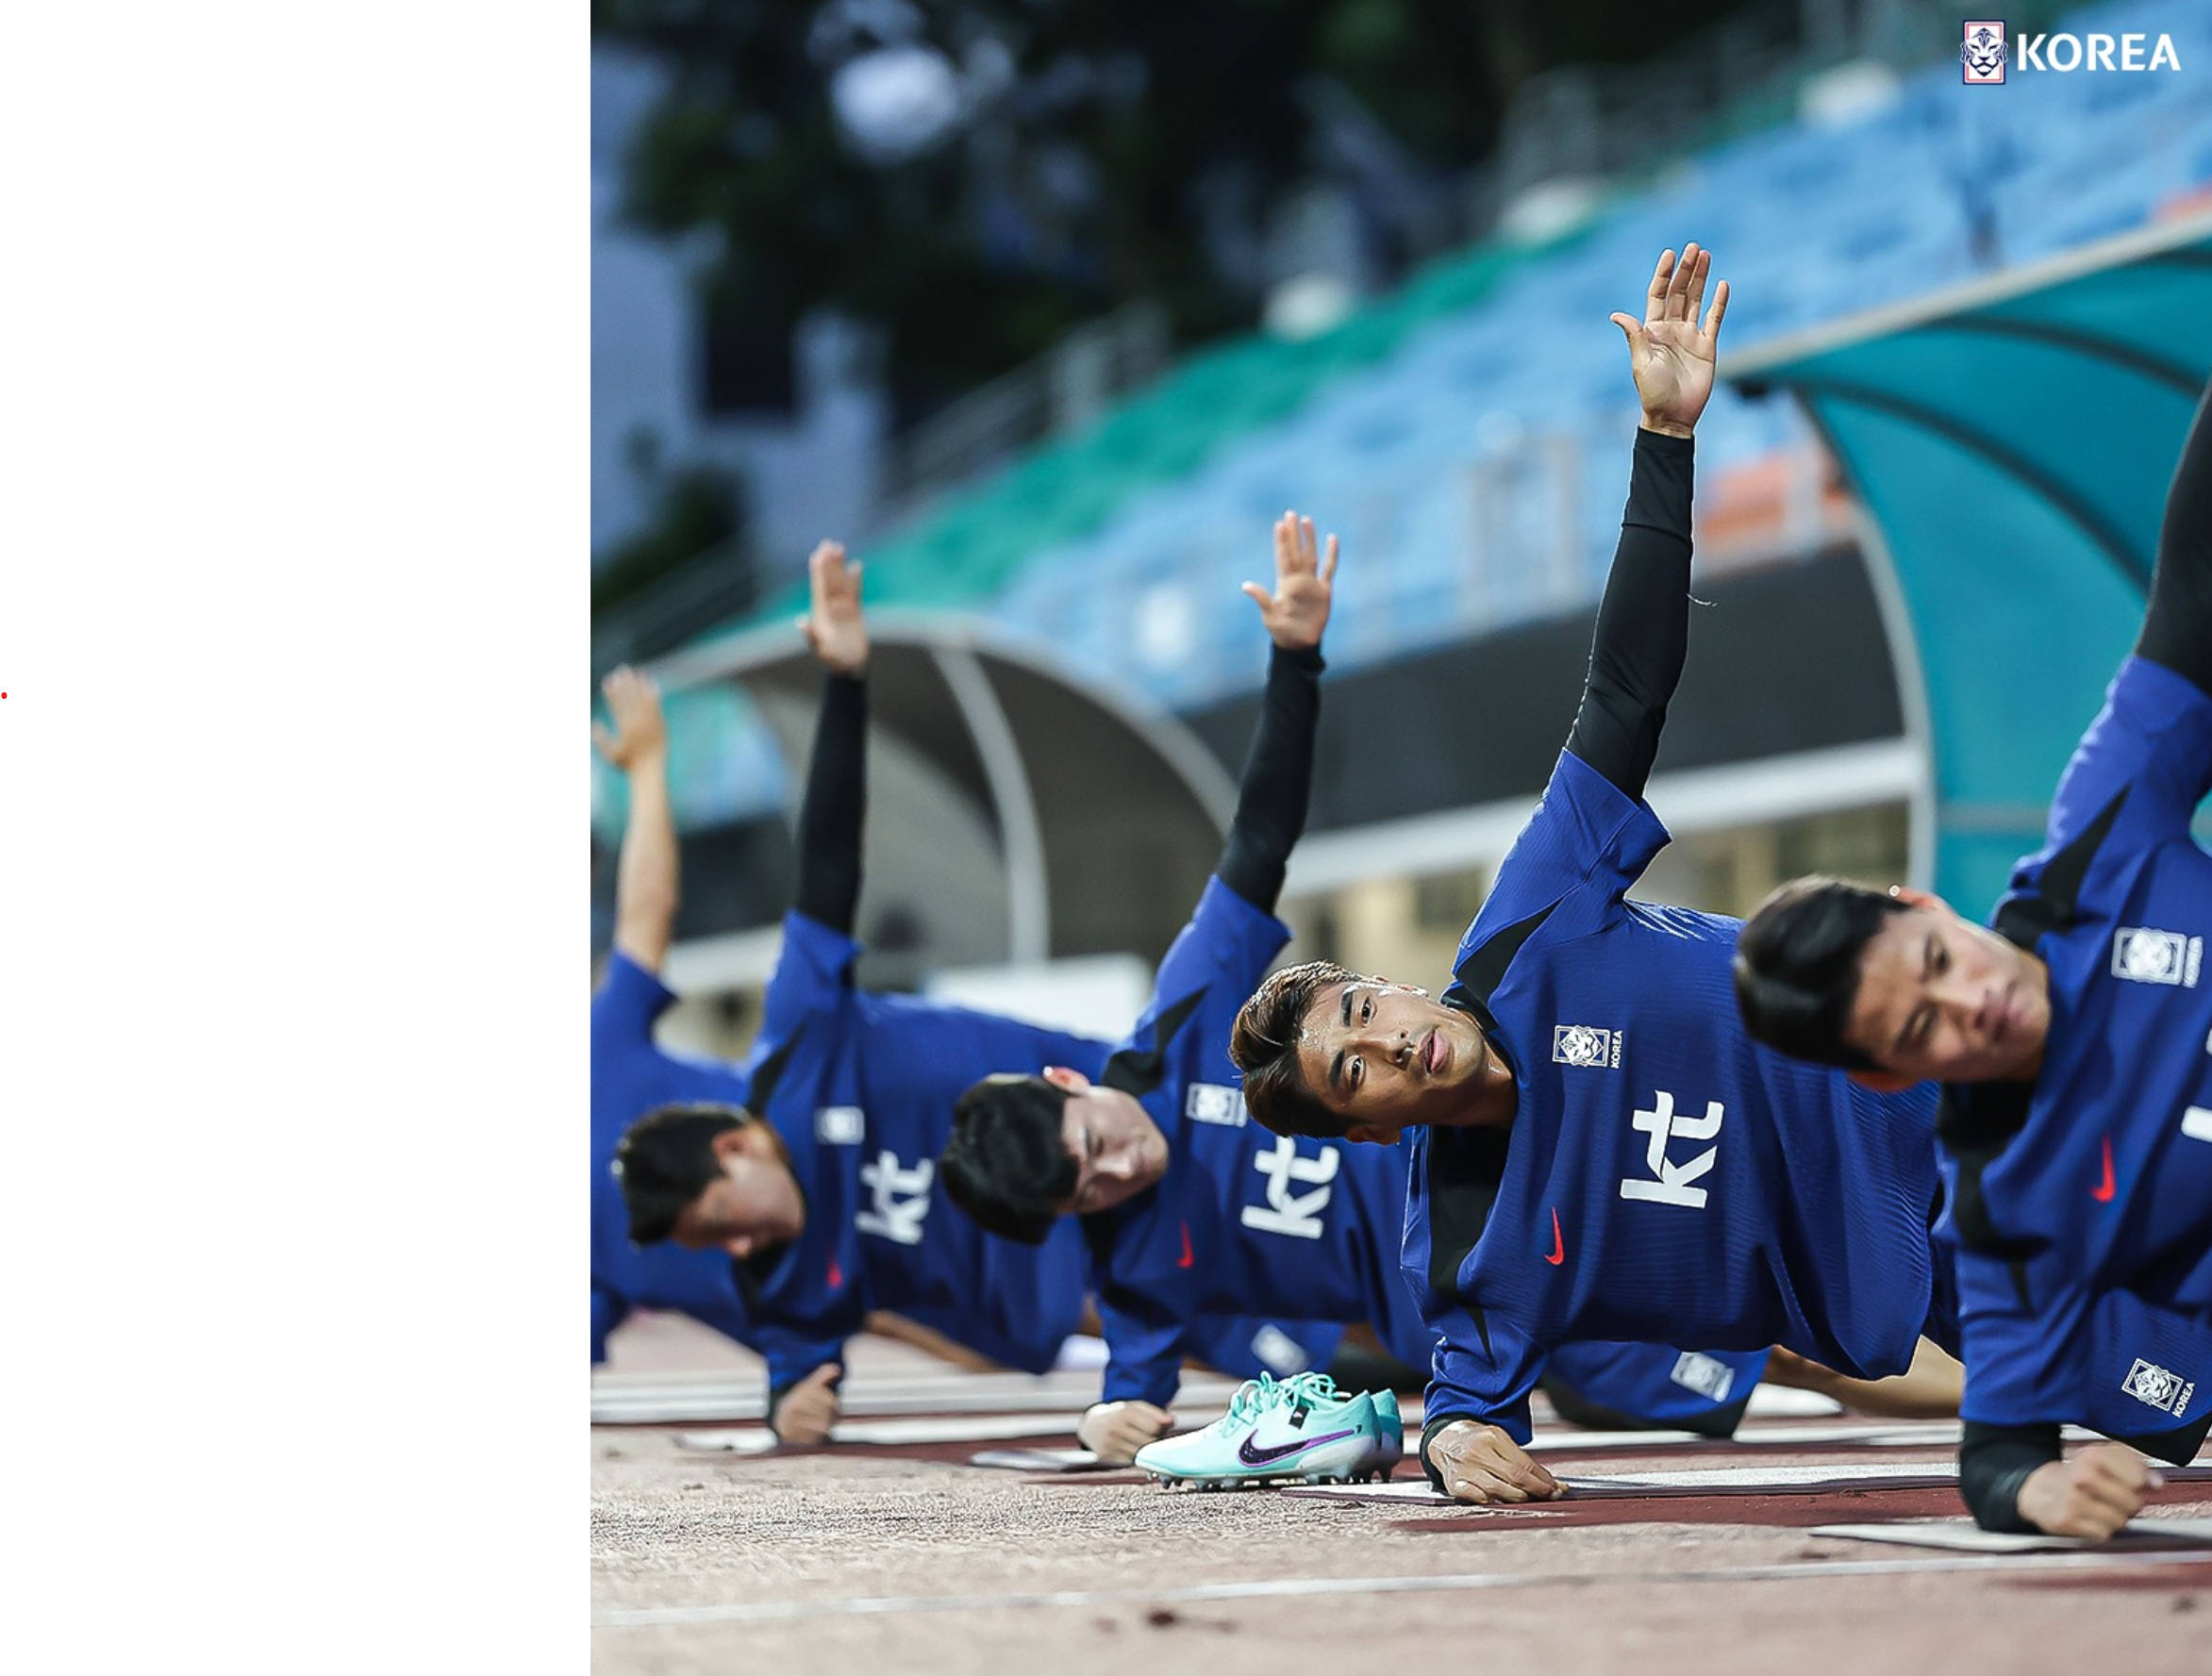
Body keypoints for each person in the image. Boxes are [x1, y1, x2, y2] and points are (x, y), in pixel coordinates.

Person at [1227, 243, 1969, 1507]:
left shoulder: (1533, 919)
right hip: (1943, 1284)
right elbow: (1461, 1404)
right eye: (1354, 1073)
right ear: (1365, 1131)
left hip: (1954, 1074)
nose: (1391, 1046)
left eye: (1364, 1013)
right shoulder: (1466, 1243)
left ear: (1381, 985)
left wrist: (1664, 442)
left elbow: (1625, 691)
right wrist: (1457, 1445)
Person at [937, 507, 1775, 1473]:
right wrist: (1109, 1418)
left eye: (1094, 1144)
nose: (1115, 1170)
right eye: (1087, 1191)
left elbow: (1257, 844)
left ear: (1067, 1080)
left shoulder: (1185, 1014)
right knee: (1745, 1341)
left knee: (1779, 1283)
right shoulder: (1126, 1262)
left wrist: (1294, 660)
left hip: (1547, 1165)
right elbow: (1129, 1393)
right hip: (1466, 1297)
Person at [609, 540, 1339, 1439]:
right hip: (1049, 1284)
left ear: (736, 1148)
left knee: (1301, 1242)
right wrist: (792, 1404)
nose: (734, 1248)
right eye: (713, 1243)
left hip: (1110, 1143)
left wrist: (844, 682)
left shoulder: (803, 1034)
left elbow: (830, 863)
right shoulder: (777, 1272)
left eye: (721, 1219)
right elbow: (799, 1367)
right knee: (1278, 1346)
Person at [1731, 381, 2210, 1537]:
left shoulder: (2094, 851)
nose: (1974, 1001)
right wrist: (2043, 1487)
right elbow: (1997, 1451)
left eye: (1935, 958)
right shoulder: (1999, 1202)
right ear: (1887, 1079)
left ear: (1922, 902)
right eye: (1918, 1028)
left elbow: (2192, 595)